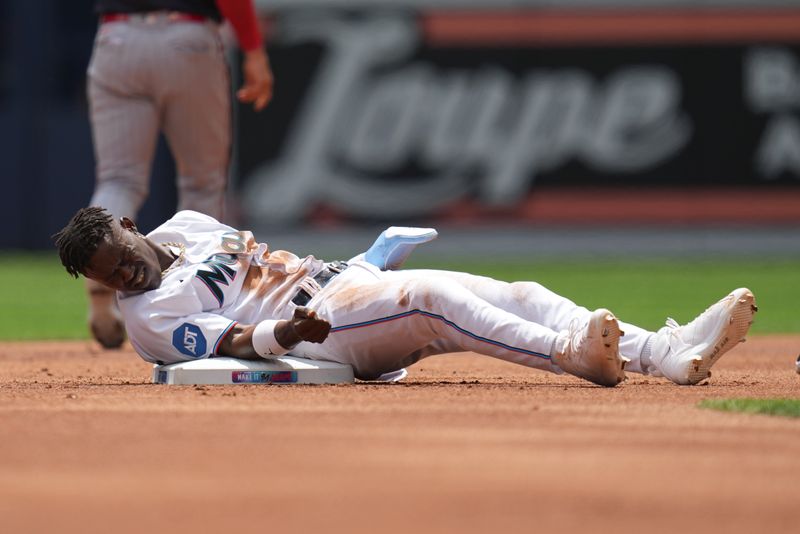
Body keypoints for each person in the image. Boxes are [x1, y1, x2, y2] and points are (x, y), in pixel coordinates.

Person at [55, 207, 758, 387]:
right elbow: (231, 343)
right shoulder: (149, 320)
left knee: (517, 288)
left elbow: (279, 265)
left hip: (341, 286)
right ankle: (572, 355)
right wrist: (286, 338)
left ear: (129, 227)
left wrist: (362, 257)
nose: (127, 280)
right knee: (429, 299)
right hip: (320, 330)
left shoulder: (188, 224)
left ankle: (663, 353)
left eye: (123, 260)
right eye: (111, 278)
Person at [85, 0, 273, 348]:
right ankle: (205, 294)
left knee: (118, 180)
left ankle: (99, 276)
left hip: (115, 38)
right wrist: (254, 49)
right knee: (203, 183)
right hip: (186, 37)